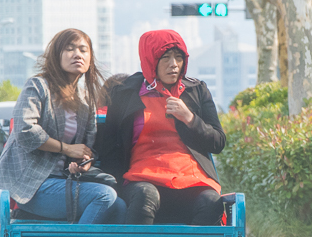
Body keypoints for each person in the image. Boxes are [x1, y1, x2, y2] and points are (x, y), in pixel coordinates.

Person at [0, 28, 124, 224]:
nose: (77, 54)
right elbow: (25, 131)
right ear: (56, 56)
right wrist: (67, 148)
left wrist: (82, 163)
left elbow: (88, 148)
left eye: (83, 50)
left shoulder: (85, 102)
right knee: (103, 196)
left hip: (64, 180)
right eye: (69, 49)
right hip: (32, 185)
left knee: (119, 206)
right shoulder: (37, 86)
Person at [96, 29, 227, 225]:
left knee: (211, 201)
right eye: (165, 58)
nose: (173, 64)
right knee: (145, 196)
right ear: (150, 60)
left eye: (178, 57)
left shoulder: (197, 90)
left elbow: (218, 142)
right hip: (142, 176)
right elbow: (107, 146)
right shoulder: (124, 92)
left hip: (191, 178)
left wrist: (189, 118)